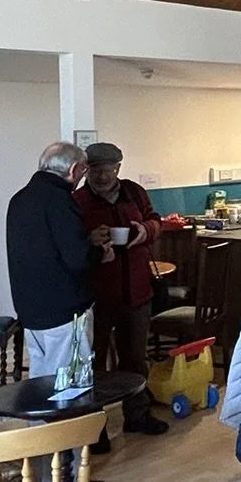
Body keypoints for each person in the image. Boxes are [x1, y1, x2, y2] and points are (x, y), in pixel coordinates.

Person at [72, 142, 167, 435]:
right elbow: (70, 242)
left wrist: (144, 231)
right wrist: (90, 239)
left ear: (118, 168)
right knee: (94, 361)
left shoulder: (134, 192)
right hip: (96, 295)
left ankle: (137, 415)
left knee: (136, 358)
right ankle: (95, 427)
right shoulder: (77, 200)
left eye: (109, 170)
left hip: (137, 289)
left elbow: (155, 220)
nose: (102, 176)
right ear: (86, 170)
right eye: (96, 170)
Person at [6, 141, 99, 382]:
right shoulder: (59, 200)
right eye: (84, 170)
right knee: (70, 383)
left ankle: (41, 410)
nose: (83, 177)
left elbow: (41, 249)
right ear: (73, 169)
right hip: (64, 310)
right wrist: (100, 252)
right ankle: (69, 410)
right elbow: (78, 258)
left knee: (41, 380)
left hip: (30, 309)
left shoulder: (19, 199)